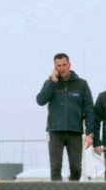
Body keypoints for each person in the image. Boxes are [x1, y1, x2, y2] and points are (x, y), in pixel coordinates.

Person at [36, 53, 94, 181]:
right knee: (55, 168)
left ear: (69, 65)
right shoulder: (50, 83)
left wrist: (90, 133)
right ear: (55, 67)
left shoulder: (82, 85)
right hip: (55, 132)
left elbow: (89, 109)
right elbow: (40, 101)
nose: (62, 68)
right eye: (59, 65)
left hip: (75, 132)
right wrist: (52, 82)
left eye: (64, 65)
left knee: (76, 168)